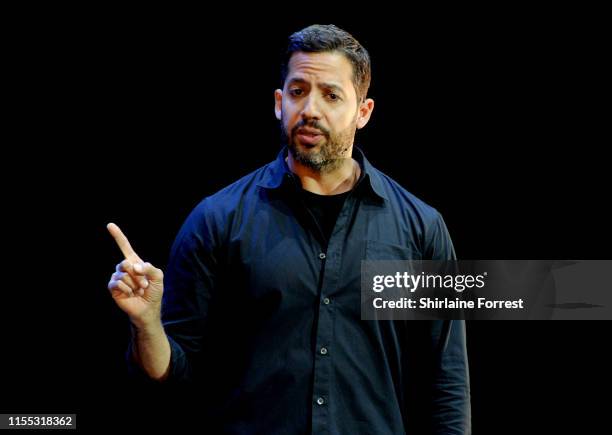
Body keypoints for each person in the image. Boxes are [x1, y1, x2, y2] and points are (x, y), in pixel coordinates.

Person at [107, 24, 471, 434]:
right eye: (298, 91)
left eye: (331, 95)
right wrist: (147, 325)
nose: (310, 109)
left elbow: (446, 380)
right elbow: (174, 375)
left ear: (363, 112)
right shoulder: (216, 220)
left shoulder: (421, 228)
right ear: (280, 103)